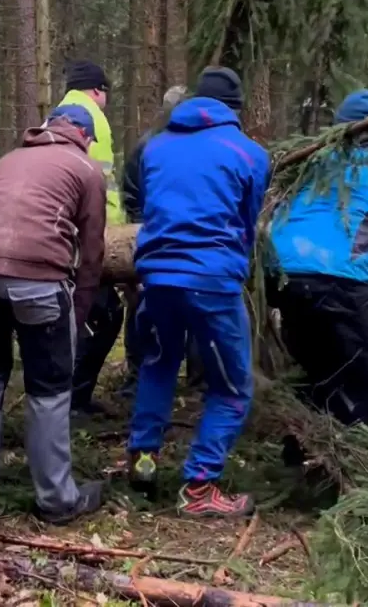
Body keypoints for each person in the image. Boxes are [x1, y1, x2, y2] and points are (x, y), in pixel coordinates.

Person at [126, 67, 269, 518]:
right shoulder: (249, 154)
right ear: (236, 110)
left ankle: (143, 458)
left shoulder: (156, 147)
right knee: (231, 386)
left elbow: (152, 205)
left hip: (157, 276)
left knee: (158, 361)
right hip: (212, 281)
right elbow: (248, 222)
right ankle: (200, 486)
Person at [0, 105, 108, 523]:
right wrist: (77, 312)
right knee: (49, 388)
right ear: (82, 133)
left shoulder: (8, 160)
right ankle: (57, 499)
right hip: (38, 279)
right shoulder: (86, 169)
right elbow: (92, 252)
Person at [266, 89, 368, 446]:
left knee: (320, 369)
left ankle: (300, 449)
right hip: (340, 280)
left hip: (285, 278)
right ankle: (341, 457)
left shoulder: (308, 162)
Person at [119, 85, 203, 398]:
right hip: (153, 236)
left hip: (185, 238)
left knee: (191, 307)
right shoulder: (148, 146)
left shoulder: (194, 146)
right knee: (144, 306)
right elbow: (132, 195)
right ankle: (139, 375)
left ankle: (196, 380)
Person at [58, 60, 129, 415]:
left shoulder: (58, 112)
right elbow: (98, 183)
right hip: (89, 236)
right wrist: (109, 233)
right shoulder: (93, 118)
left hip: (60, 234)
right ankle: (74, 399)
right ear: (98, 90)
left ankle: (70, 395)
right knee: (103, 316)